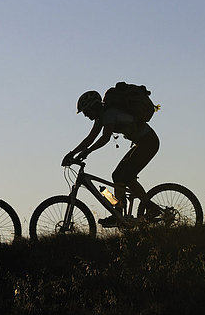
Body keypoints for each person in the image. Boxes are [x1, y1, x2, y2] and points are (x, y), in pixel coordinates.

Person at [62, 90, 160, 227]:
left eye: (86, 111)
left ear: (93, 106)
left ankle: (132, 210)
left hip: (148, 142)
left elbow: (105, 138)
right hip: (143, 143)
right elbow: (89, 139)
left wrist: (88, 152)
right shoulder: (101, 118)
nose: (86, 115)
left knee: (123, 175)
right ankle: (126, 210)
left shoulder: (109, 114)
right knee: (119, 175)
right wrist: (72, 153)